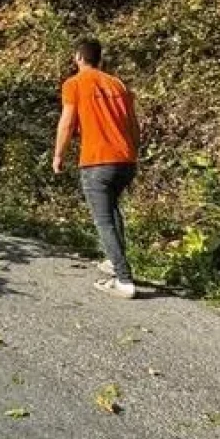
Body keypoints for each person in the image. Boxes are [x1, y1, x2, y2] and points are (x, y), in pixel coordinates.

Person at [52, 37, 141, 297]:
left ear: (78, 58)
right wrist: (133, 151)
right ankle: (115, 262)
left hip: (97, 161)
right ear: (100, 59)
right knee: (112, 213)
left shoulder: (74, 84)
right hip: (125, 161)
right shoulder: (118, 84)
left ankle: (124, 280)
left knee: (103, 221)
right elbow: (133, 125)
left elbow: (67, 123)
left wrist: (59, 154)